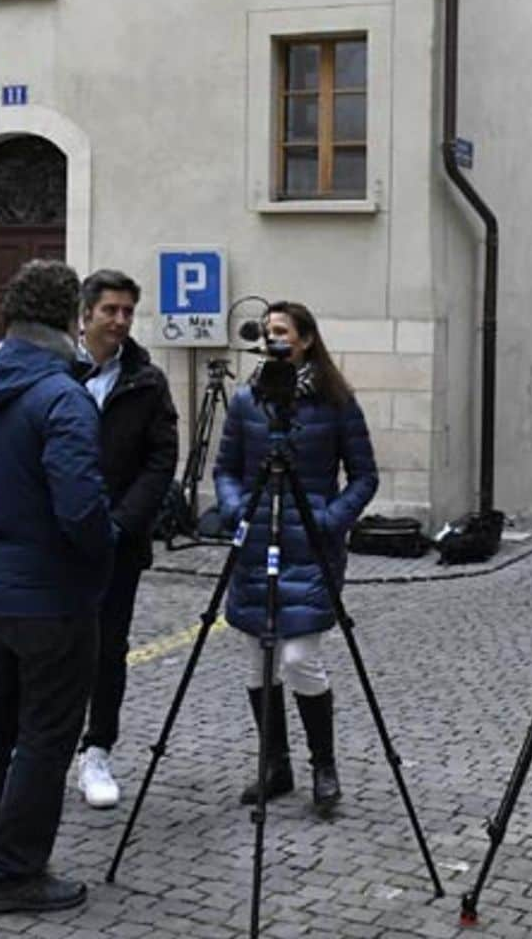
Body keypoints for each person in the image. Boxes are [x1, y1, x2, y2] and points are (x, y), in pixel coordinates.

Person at [0, 259, 113, 914]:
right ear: (69, 317)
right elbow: (79, 508)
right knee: (46, 734)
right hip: (53, 593)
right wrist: (105, 549)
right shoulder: (62, 395)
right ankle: (12, 872)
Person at [214, 300, 377, 818]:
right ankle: (274, 764)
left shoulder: (335, 403)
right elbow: (225, 469)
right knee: (260, 658)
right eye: (267, 332)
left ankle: (323, 764)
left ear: (306, 339)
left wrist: (329, 519)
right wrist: (239, 509)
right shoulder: (247, 401)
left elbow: (365, 475)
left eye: (282, 331)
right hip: (257, 544)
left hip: (311, 546)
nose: (272, 340)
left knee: (301, 657)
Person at [71, 269, 179, 810]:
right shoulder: (54, 370)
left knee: (108, 649)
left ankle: (97, 749)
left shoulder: (146, 380)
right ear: (85, 313)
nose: (119, 321)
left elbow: (162, 460)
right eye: (110, 310)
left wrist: (123, 522)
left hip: (118, 543)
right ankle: (21, 747)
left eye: (128, 312)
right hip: (57, 541)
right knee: (41, 647)